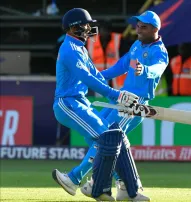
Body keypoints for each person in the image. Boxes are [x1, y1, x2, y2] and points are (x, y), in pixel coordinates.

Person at [51, 8, 149, 201]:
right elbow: (86, 78)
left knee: (112, 139)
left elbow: (95, 75)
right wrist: (116, 95)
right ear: (74, 27)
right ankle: (78, 179)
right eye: (85, 25)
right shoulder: (69, 49)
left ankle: (119, 186)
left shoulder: (80, 47)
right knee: (106, 138)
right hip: (67, 103)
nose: (89, 28)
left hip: (79, 102)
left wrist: (116, 97)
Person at [73, 10, 168, 201]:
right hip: (120, 99)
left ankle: (77, 177)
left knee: (106, 138)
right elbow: (120, 67)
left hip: (136, 103)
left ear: (155, 29)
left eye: (144, 27)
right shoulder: (136, 45)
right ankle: (125, 185)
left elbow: (158, 68)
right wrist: (94, 79)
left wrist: (145, 69)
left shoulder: (159, 50)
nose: (138, 29)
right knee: (93, 134)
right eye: (138, 25)